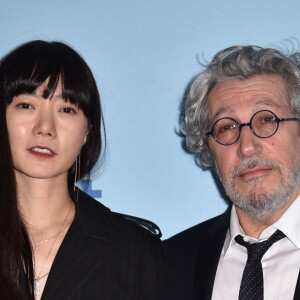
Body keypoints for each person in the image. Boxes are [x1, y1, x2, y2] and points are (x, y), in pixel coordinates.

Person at [0, 40, 163, 300]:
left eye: (66, 109)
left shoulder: (135, 252)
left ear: (87, 131)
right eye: (26, 105)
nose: (45, 127)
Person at [162, 45, 300, 300]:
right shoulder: (168, 264)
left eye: (267, 120)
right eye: (227, 127)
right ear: (209, 149)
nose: (247, 147)